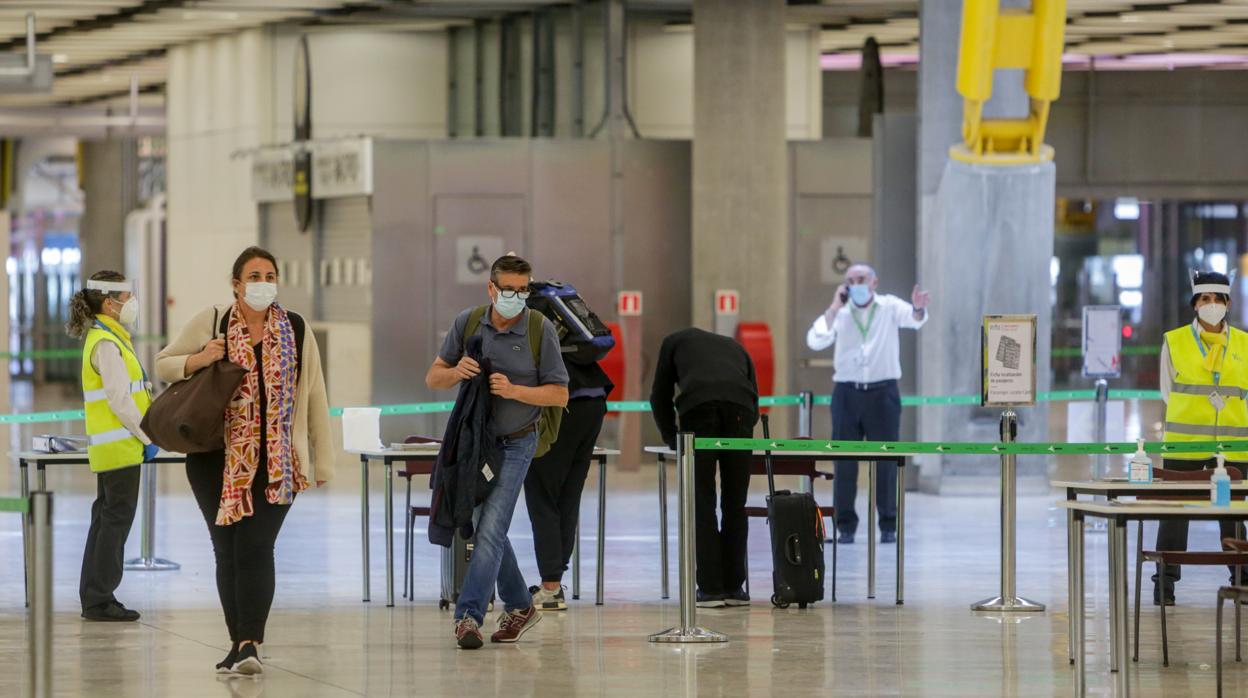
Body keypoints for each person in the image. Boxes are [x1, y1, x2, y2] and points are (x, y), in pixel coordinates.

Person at [156, 247, 335, 675]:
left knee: (257, 546)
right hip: (214, 459)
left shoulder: (295, 327)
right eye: (253, 276)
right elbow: (164, 364)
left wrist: (322, 460)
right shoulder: (212, 320)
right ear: (236, 283)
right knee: (227, 552)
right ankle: (238, 642)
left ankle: (251, 641)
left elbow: (314, 395)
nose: (263, 283)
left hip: (277, 461)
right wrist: (202, 358)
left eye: (269, 275)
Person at [426, 254, 569, 650]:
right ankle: (521, 605)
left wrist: (514, 391)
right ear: (491, 289)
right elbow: (434, 376)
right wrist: (457, 372)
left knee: (491, 529)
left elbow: (559, 392)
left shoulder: (540, 329)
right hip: (477, 445)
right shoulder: (469, 322)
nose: (516, 297)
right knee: (478, 523)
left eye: (523, 290)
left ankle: (468, 617)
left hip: (519, 441)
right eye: (509, 290)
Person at [806, 263, 929, 545]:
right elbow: (815, 340)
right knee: (844, 462)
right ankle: (845, 526)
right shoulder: (841, 312)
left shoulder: (888, 307)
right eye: (849, 280)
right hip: (847, 394)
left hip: (882, 394)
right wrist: (834, 307)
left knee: (886, 461)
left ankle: (888, 524)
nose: (855, 284)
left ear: (874, 282)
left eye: (860, 279)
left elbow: (914, 318)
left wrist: (919, 308)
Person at [1153, 270, 1248, 605]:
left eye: (1217, 299)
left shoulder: (1244, 343)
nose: (1211, 305)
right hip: (1185, 443)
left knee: (1234, 516)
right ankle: (1164, 584)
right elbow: (1168, 391)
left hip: (1233, 447)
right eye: (1204, 299)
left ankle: (1243, 580)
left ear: (1228, 303)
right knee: (1175, 515)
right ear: (1195, 304)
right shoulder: (1175, 340)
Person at [68, 271, 156, 622]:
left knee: (105, 521)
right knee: (114, 523)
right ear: (110, 302)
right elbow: (120, 400)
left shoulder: (109, 337)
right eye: (127, 298)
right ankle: (100, 599)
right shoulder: (106, 342)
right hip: (121, 447)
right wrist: (148, 438)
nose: (131, 304)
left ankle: (94, 595)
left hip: (115, 448)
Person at [650, 327, 759, 608]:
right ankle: (735, 588)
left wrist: (672, 438)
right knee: (736, 502)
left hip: (698, 408)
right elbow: (754, 397)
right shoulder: (735, 346)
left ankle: (710, 589)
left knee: (702, 500)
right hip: (741, 410)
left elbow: (659, 395)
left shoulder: (672, 341)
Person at [524, 344, 613, 610]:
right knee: (568, 495)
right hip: (593, 401)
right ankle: (554, 580)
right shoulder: (563, 316)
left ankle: (551, 587)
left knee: (543, 494)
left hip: (561, 402)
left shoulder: (529, 317)